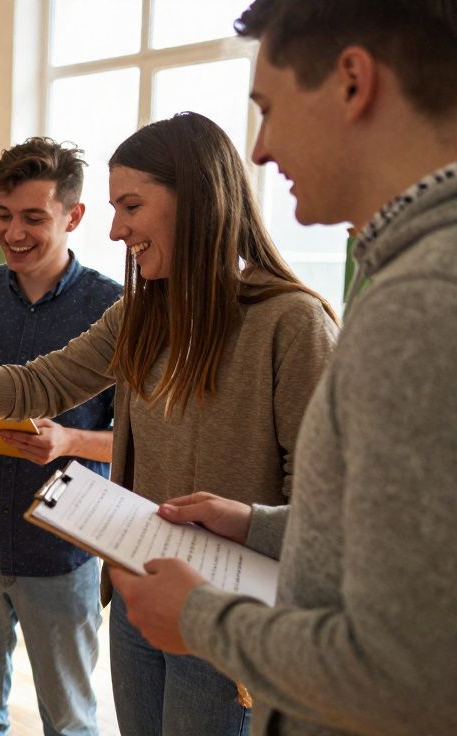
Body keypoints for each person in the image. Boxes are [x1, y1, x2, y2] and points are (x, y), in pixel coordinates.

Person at [0, 112, 340, 735]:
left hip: (230, 619)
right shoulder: (142, 315)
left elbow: (329, 518)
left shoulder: (291, 324)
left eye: (131, 205)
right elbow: (34, 382)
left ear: (197, 199)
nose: (117, 228)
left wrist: (245, 522)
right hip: (141, 598)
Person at [109, 3, 457, 734]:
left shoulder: (420, 302)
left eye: (268, 109)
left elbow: (408, 671)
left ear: (353, 83)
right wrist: (260, 526)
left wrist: (204, 619)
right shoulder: (402, 278)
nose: (260, 152)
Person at [0, 140, 120, 736]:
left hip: (63, 551)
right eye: (3, 215)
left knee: (70, 723)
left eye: (33, 218)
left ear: (74, 216)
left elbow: (141, 439)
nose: (13, 232)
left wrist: (69, 441)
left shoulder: (115, 307)